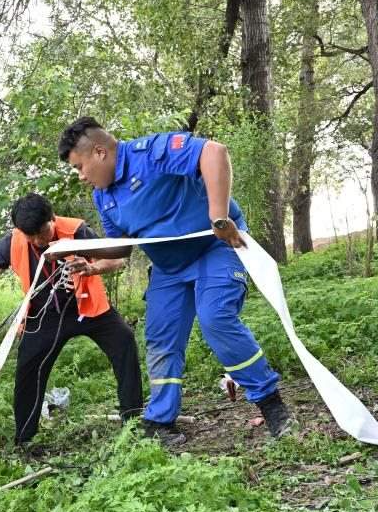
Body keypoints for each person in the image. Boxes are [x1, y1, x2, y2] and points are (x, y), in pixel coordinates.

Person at [56, 117, 294, 444]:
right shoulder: (104, 196)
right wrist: (85, 257)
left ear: (99, 152)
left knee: (216, 318)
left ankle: (271, 404)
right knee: (160, 337)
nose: (81, 176)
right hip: (169, 268)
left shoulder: (151, 153)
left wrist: (219, 217)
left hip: (216, 247)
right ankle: (161, 421)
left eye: (80, 167)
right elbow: (121, 249)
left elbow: (214, 153)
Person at [0, 193, 144, 447]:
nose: (39, 240)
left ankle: (132, 422)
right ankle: (25, 440)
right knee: (27, 370)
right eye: (32, 236)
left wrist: (92, 267)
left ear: (52, 218)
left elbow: (116, 259)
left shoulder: (77, 231)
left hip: (87, 307)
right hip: (43, 315)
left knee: (125, 341)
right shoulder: (12, 242)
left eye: (43, 232)